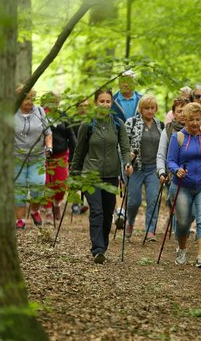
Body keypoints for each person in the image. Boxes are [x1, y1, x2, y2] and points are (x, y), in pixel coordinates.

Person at [71, 89, 133, 264]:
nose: (105, 104)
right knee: (96, 211)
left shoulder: (118, 124)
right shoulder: (87, 125)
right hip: (90, 175)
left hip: (111, 175)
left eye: (108, 101)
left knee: (107, 214)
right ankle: (97, 249)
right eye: (102, 101)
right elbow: (79, 152)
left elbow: (125, 148)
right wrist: (74, 176)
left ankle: (102, 247)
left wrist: (128, 163)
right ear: (95, 103)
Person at [167, 102, 201, 268]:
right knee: (183, 222)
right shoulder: (178, 137)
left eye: (197, 119)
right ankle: (182, 249)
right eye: (191, 120)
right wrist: (176, 170)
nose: (194, 123)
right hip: (182, 185)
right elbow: (170, 160)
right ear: (185, 119)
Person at [124, 95, 164, 241]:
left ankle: (150, 230)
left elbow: (164, 147)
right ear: (141, 109)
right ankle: (130, 221)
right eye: (146, 108)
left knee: (153, 199)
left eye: (152, 108)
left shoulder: (160, 125)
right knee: (134, 201)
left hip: (153, 168)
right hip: (136, 168)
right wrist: (127, 160)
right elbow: (123, 145)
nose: (149, 111)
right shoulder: (131, 123)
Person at [14, 85, 53, 229]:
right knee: (19, 190)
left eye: (31, 98)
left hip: (37, 157)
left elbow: (48, 133)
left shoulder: (40, 111)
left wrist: (49, 147)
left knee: (38, 186)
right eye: (25, 98)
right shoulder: (12, 113)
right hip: (17, 158)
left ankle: (35, 210)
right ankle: (20, 220)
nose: (29, 101)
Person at [157, 97, 189, 235]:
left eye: (185, 111)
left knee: (187, 209)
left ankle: (181, 233)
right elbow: (161, 154)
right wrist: (161, 172)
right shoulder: (168, 130)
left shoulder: (197, 129)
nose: (182, 114)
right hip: (172, 175)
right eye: (179, 111)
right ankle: (180, 237)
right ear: (174, 113)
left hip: (193, 175)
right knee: (177, 206)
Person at [43, 92, 77, 223]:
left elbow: (71, 134)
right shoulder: (41, 116)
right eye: (49, 101)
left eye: (55, 101)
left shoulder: (63, 115)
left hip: (61, 154)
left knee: (61, 184)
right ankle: (48, 212)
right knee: (46, 183)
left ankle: (56, 204)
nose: (52, 104)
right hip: (44, 156)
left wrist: (75, 152)